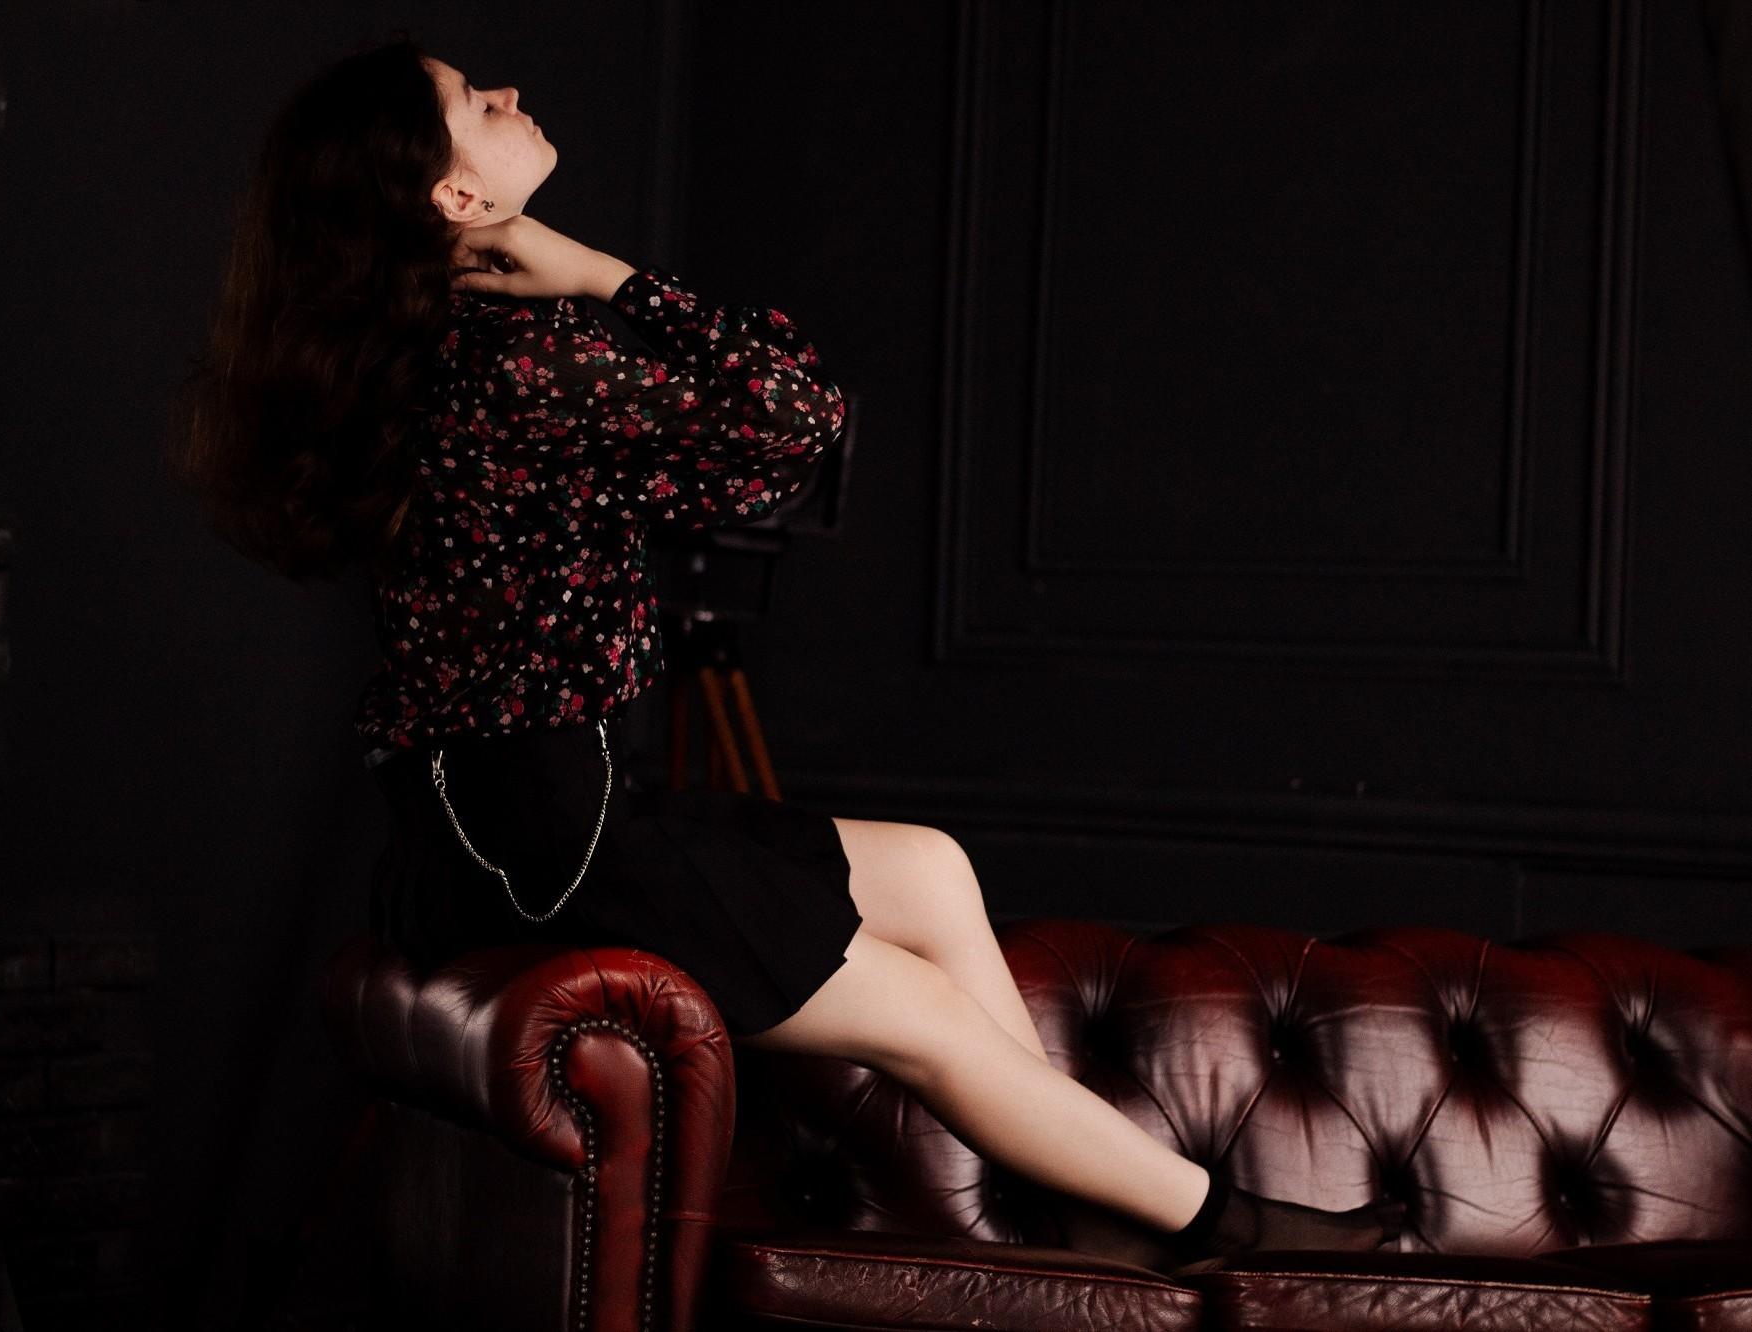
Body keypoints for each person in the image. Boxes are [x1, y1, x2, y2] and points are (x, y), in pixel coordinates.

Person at [165, 33, 1404, 1269]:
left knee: (928, 868)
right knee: (924, 1018)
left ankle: (1082, 1210)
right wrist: (603, 274)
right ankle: (1223, 1229)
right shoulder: (519, 357)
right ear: (455, 197)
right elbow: (792, 419)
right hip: (553, 846)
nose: (510, 91)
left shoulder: (422, 353)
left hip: (479, 835)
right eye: (474, 102)